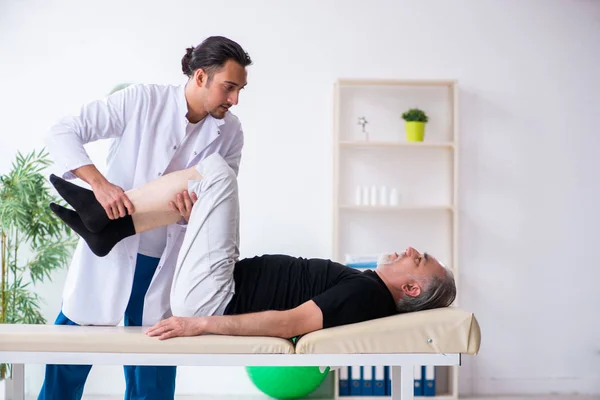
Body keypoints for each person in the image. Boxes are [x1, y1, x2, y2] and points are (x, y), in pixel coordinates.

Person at [49, 153, 457, 343]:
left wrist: (200, 324)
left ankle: (108, 220)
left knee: (216, 172)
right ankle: (110, 227)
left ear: (412, 289)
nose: (408, 249)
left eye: (417, 259)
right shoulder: (366, 289)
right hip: (217, 289)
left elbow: (290, 324)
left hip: (214, 301)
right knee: (205, 188)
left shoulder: (367, 294)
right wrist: (198, 228)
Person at [39, 36, 252, 400]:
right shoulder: (143, 100)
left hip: (167, 261)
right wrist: (101, 185)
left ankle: (103, 223)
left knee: (153, 371)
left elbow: (219, 198)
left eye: (239, 90)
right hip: (113, 258)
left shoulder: (230, 132)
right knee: (69, 359)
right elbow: (63, 131)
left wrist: (190, 214)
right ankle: (104, 219)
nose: (234, 100)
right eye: (228, 87)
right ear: (200, 77)